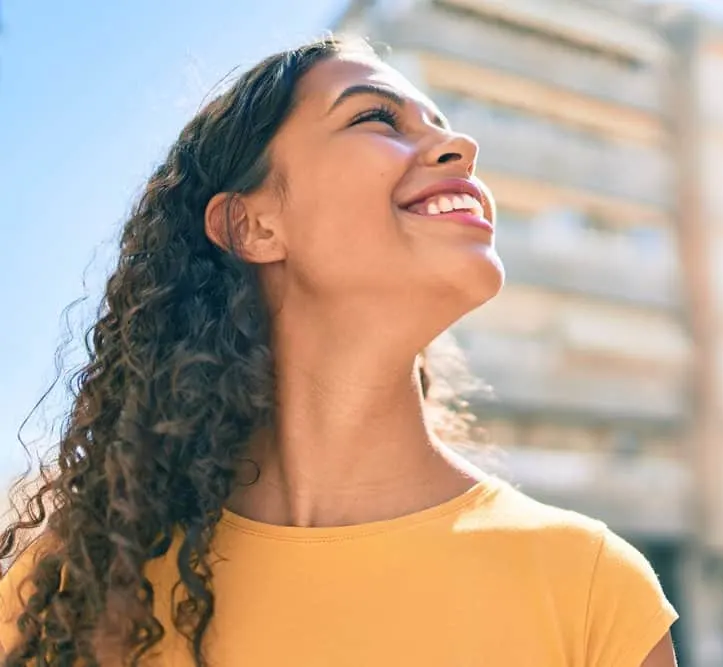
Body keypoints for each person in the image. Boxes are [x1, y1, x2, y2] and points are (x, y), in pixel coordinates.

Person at [0, 35, 678, 666]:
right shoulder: (75, 592)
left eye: (442, 123)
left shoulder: (593, 588)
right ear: (254, 224)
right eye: (377, 119)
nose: (459, 145)